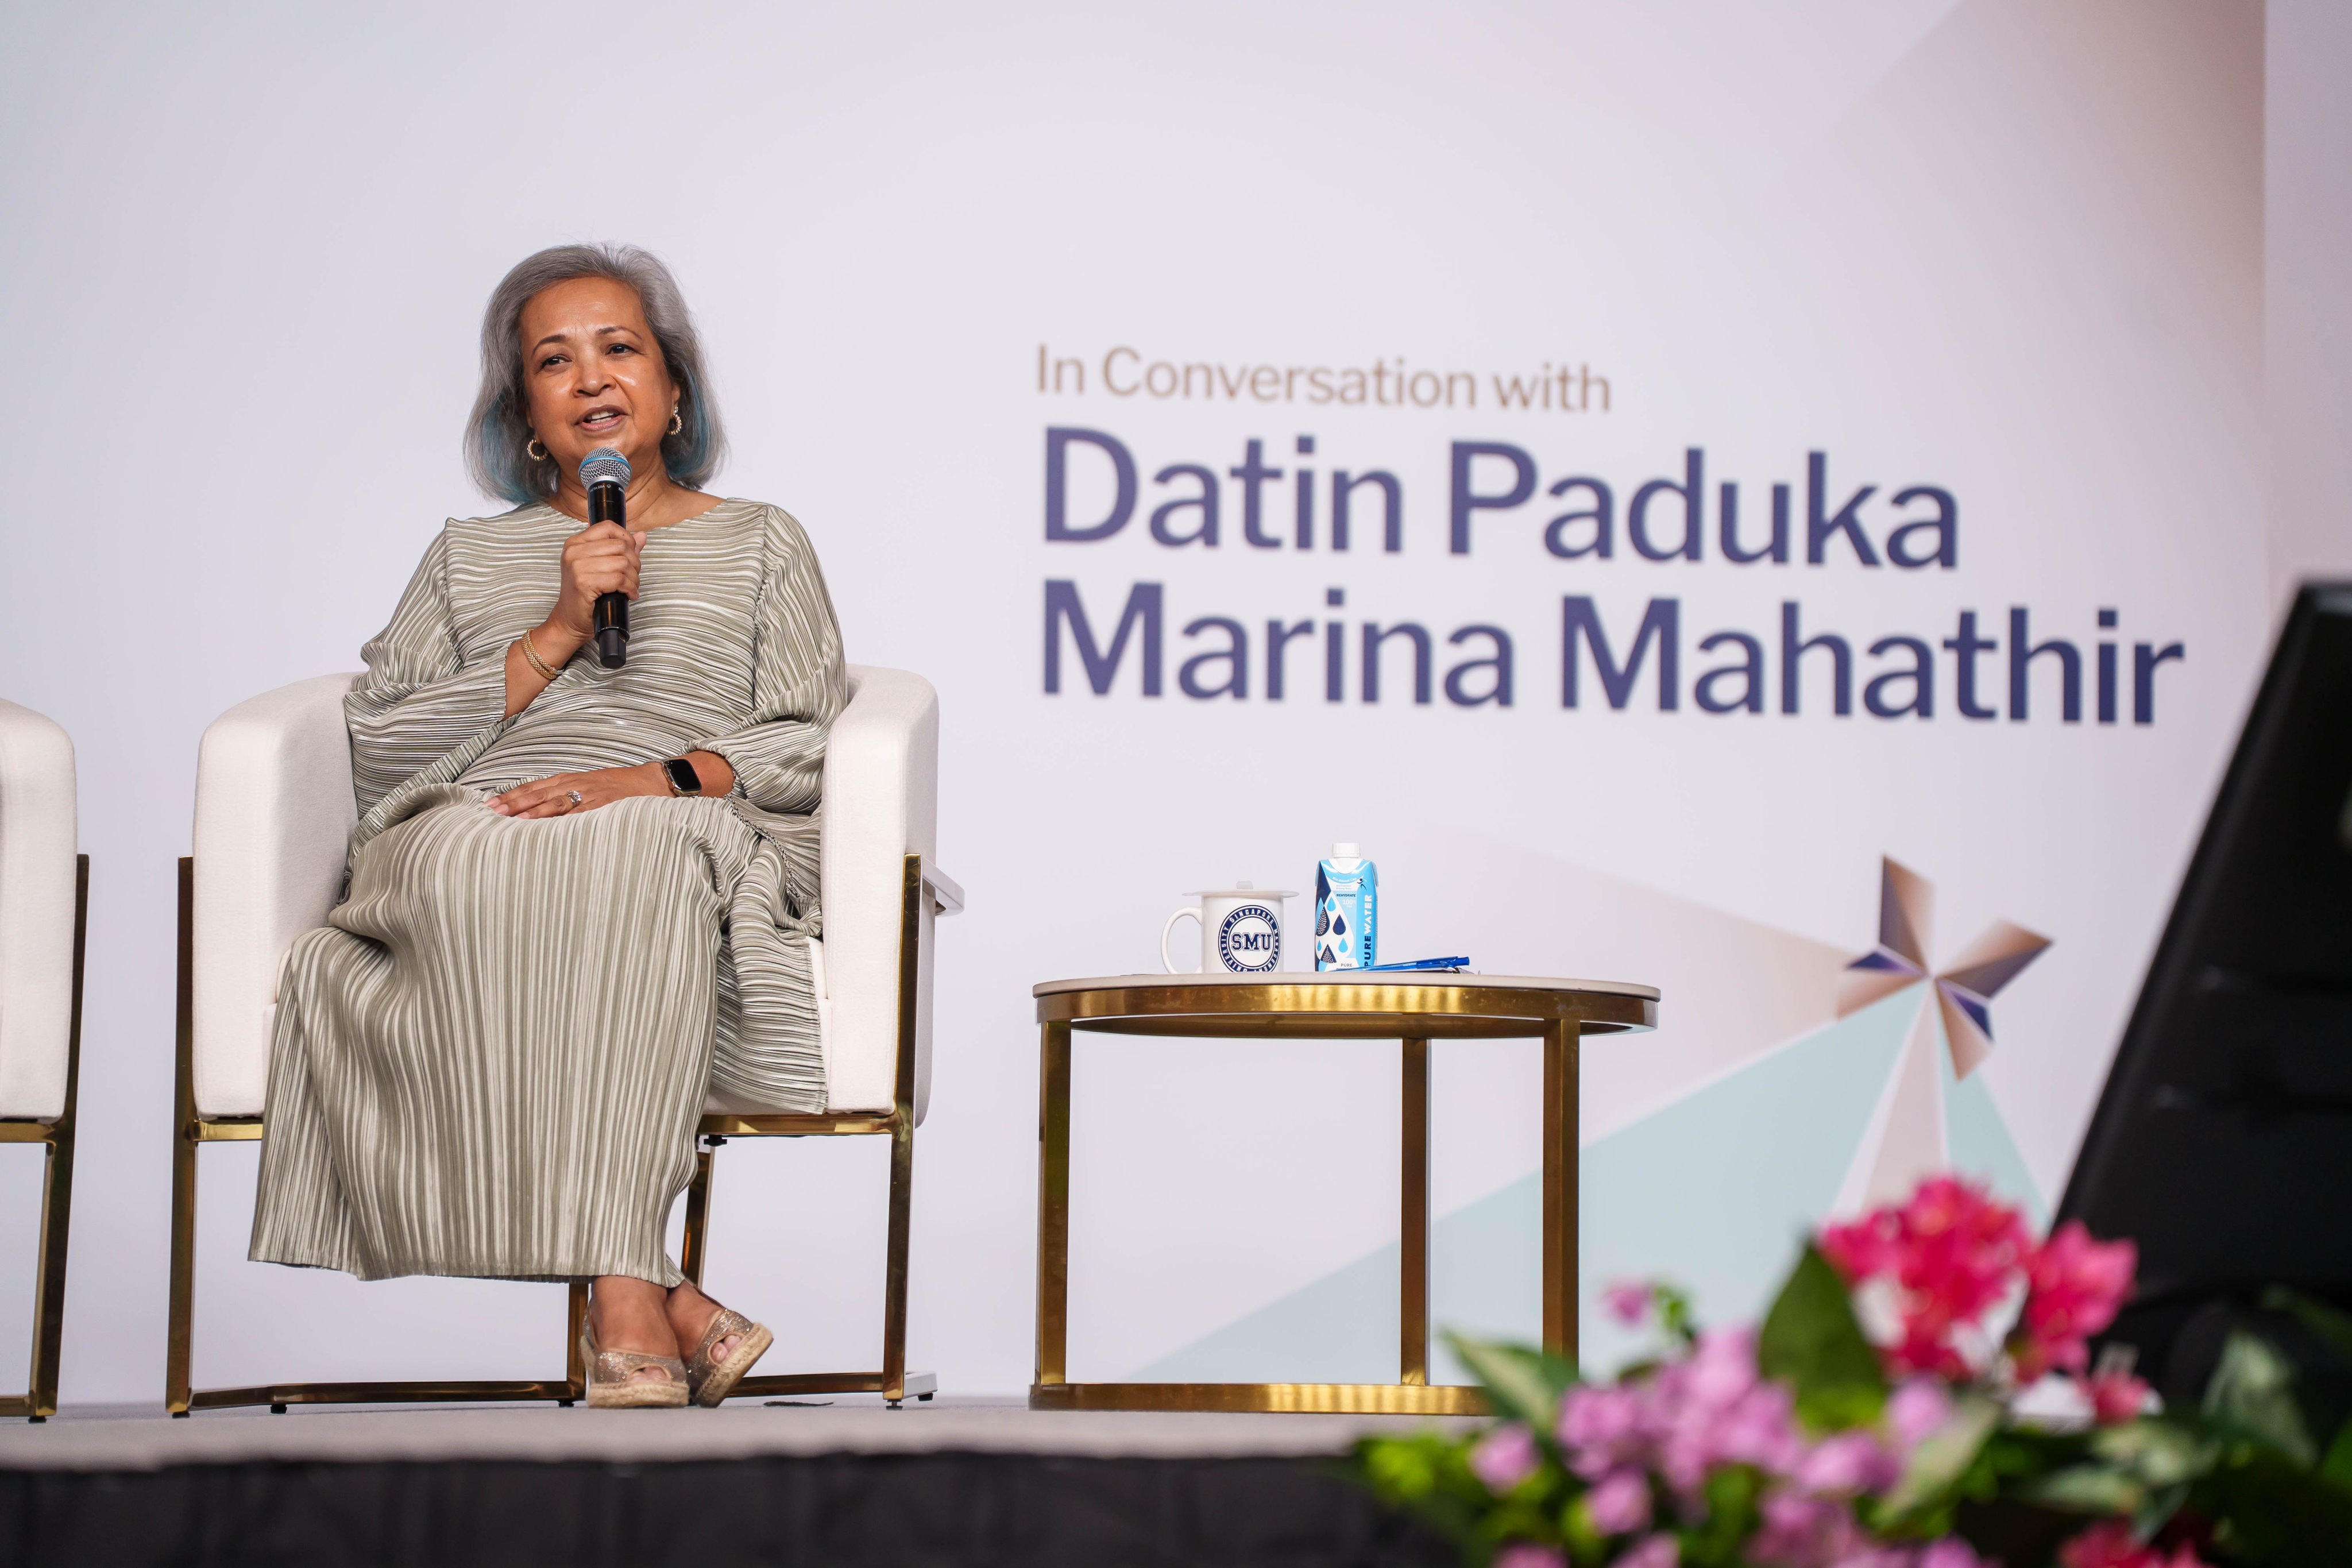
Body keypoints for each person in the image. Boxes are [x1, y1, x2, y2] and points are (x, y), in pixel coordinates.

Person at [248, 244, 846, 1409]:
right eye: (551, 362)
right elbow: (377, 740)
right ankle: (657, 1295)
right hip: (477, 816)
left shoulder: (763, 540)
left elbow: (806, 738)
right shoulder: (465, 557)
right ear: (522, 413)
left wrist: (646, 779)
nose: (589, 379)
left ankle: (629, 1297)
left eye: (618, 348)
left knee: (631, 852)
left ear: (674, 388)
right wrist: (559, 630)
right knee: (477, 852)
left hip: (673, 810)